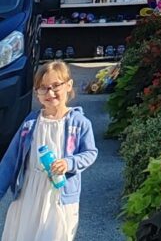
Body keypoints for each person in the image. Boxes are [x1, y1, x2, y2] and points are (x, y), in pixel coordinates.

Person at [0, 60, 97, 241]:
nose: (49, 93)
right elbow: (10, 159)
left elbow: (90, 153)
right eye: (43, 88)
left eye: (55, 86)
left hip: (59, 194)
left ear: (68, 85)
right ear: (37, 92)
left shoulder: (79, 123)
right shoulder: (30, 123)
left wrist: (69, 163)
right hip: (29, 191)